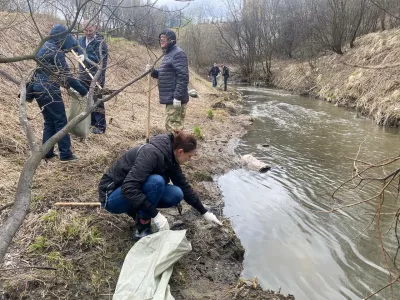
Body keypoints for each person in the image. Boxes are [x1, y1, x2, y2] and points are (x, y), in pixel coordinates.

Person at [98, 131, 223, 240]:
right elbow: (128, 188)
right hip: (111, 196)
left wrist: (204, 212)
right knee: (156, 182)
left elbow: (184, 187)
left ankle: (138, 211)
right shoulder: (151, 154)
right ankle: (142, 227)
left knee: (177, 194)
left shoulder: (171, 159)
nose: (189, 160)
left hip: (129, 192)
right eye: (189, 156)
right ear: (180, 151)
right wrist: (156, 215)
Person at [32, 24, 88, 162]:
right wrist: (82, 90)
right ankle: (65, 154)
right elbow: (67, 76)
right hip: (49, 90)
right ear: (62, 38)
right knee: (60, 121)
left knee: (49, 121)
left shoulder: (45, 46)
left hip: (37, 88)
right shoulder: (56, 52)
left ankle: (47, 152)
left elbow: (59, 74)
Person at [149, 29, 189, 132]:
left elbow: (183, 77)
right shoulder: (169, 54)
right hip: (171, 99)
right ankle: (175, 147)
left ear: (171, 40)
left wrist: (177, 97)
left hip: (175, 99)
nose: (161, 40)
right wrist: (153, 72)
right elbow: (167, 75)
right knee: (171, 128)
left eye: (164, 38)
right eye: (160, 38)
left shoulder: (178, 54)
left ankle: (177, 148)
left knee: (174, 130)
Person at [77, 21, 108, 134]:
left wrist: (85, 57)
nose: (88, 33)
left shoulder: (100, 42)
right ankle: (89, 122)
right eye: (85, 30)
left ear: (95, 28)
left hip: (96, 76)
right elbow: (76, 50)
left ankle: (100, 126)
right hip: (83, 74)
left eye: (90, 30)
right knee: (85, 98)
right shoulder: (80, 40)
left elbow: (99, 58)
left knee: (97, 100)